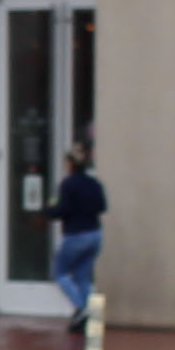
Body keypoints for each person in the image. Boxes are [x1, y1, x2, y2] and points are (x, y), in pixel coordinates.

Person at [50, 140, 107, 332]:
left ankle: (81, 308)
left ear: (71, 164)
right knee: (83, 275)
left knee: (60, 272)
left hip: (76, 235)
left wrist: (48, 211)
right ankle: (92, 312)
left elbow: (62, 209)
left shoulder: (68, 184)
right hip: (95, 234)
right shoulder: (94, 183)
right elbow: (102, 207)